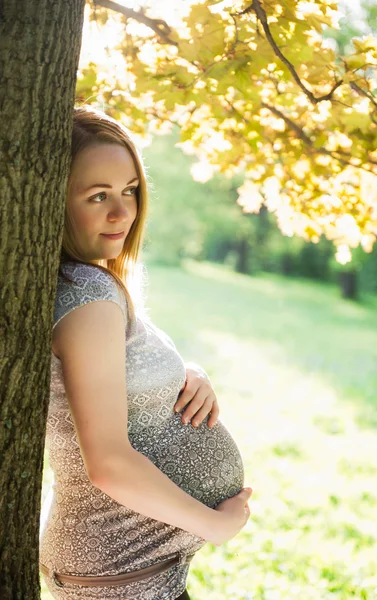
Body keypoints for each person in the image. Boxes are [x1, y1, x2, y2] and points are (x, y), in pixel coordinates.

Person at [39, 105, 252, 600]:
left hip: (132, 567)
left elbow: (117, 375)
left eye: (129, 190)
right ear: (55, 200)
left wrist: (185, 373)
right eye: (97, 196)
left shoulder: (86, 282)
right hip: (121, 571)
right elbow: (109, 462)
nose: (122, 212)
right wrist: (214, 526)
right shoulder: (87, 294)